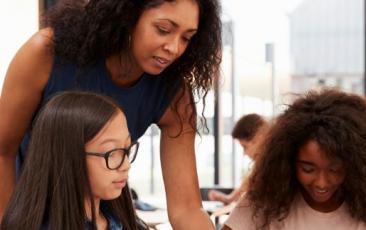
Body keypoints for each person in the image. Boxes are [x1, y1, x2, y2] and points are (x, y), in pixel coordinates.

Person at [0, 0, 222, 228]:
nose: (174, 48)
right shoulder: (45, 52)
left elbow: (186, 208)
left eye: (187, 37)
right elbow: (2, 152)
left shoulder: (174, 96)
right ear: (128, 15)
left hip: (101, 216)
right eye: (163, 30)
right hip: (28, 210)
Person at [222, 89, 366, 230]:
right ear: (289, 162)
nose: (321, 183)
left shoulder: (361, 205)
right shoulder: (264, 200)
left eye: (334, 169)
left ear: (353, 165)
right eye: (308, 169)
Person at [1, 91, 143, 229]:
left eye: (126, 149)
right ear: (66, 158)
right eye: (111, 153)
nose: (125, 165)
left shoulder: (122, 221)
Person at [208, 114, 268, 205]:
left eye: (245, 147)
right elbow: (248, 181)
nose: (245, 154)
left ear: (259, 138)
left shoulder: (273, 166)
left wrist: (228, 199)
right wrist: (228, 198)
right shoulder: (261, 166)